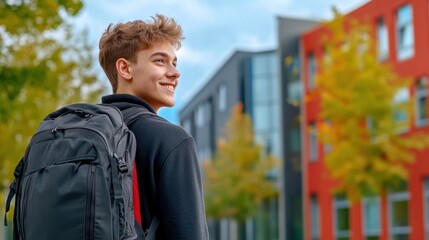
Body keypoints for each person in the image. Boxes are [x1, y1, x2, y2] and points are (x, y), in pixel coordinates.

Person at [98, 14, 209, 239]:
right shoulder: (170, 139)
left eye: (175, 63)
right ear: (125, 69)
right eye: (160, 61)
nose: (175, 72)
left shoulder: (78, 132)